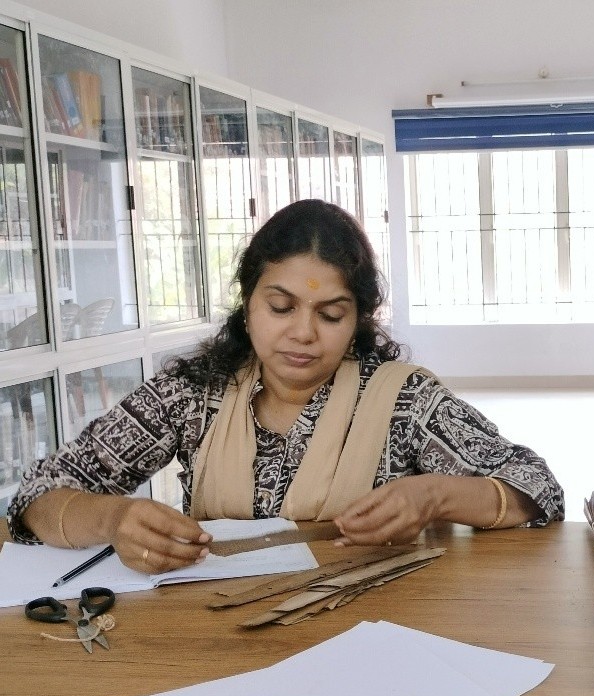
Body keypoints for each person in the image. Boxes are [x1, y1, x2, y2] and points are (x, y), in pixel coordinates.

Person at [7, 199, 564, 574]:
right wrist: (113, 519)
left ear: (359, 321)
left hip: (376, 630)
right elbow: (37, 495)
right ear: (247, 305)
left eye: (331, 314)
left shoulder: (405, 401)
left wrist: (435, 494)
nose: (303, 334)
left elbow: (537, 489)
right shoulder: (192, 393)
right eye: (280, 307)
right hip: (215, 628)